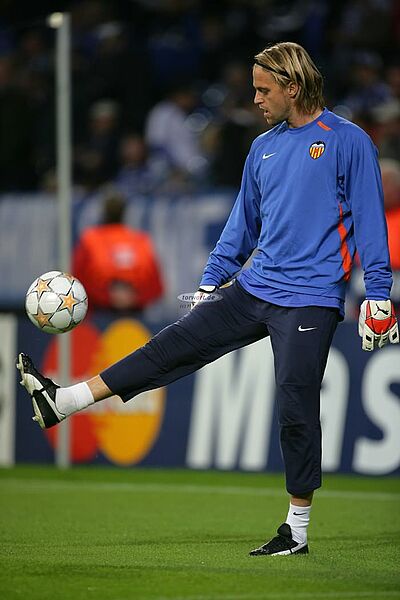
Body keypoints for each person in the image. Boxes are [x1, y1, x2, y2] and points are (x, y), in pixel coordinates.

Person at [17, 42, 398, 557]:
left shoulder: (348, 141)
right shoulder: (262, 148)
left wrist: (378, 295)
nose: (255, 99)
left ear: (293, 87)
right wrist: (210, 281)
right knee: (171, 346)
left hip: (311, 296)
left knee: (295, 403)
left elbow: (371, 221)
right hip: (254, 287)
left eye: (264, 90)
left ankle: (296, 530)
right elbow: (241, 226)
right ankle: (64, 401)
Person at [72, 191, 164, 311]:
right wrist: (134, 297)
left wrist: (107, 296)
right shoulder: (140, 240)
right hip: (133, 313)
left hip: (101, 311)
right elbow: (156, 285)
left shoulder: (91, 239)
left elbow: (76, 280)